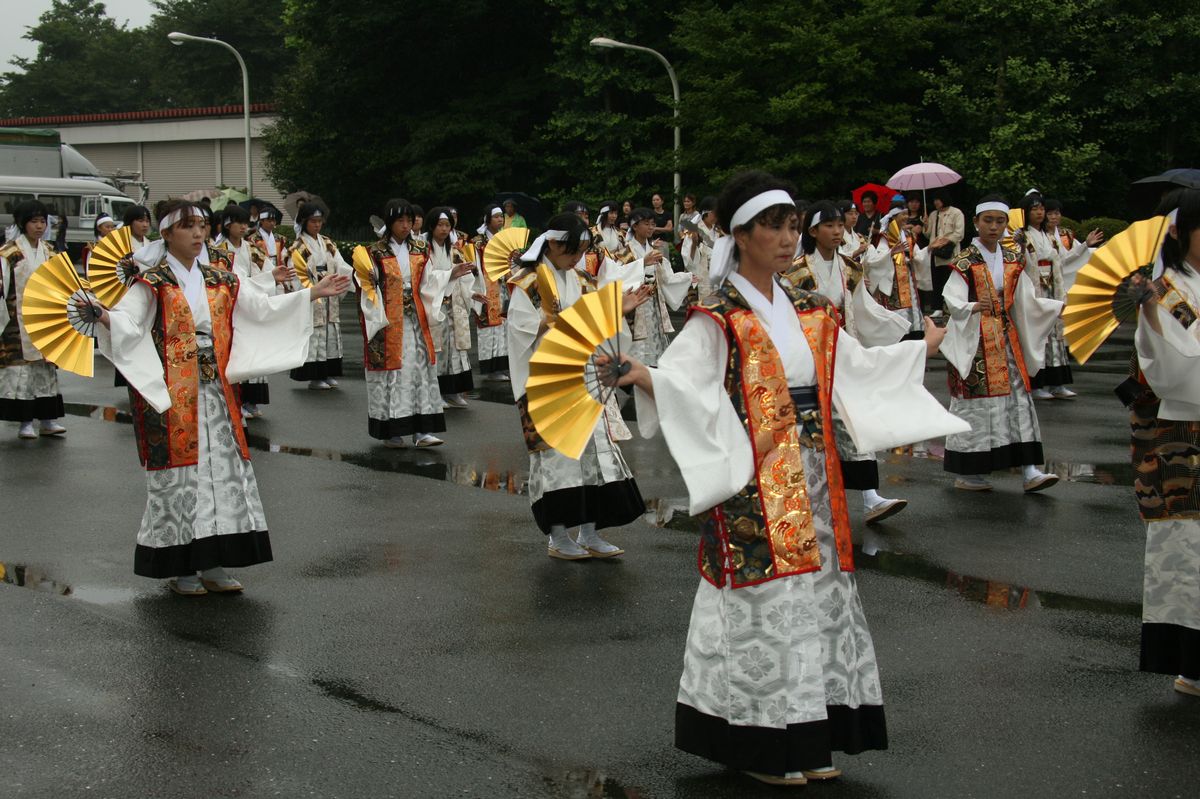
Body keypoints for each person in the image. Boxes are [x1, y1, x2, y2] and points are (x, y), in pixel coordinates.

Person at [608, 171, 965, 786]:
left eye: (791, 224)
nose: (785, 237)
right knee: (767, 600)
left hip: (815, 479)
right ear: (737, 235)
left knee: (818, 594)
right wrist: (645, 377)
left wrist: (919, 349)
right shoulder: (716, 317)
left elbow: (853, 369)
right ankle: (763, 742)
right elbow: (687, 386)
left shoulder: (812, 310)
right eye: (772, 225)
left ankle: (811, 731)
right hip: (754, 483)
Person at [85, 199, 349, 594]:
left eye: (202, 226)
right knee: (182, 476)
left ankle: (215, 562)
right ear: (166, 234)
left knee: (222, 474)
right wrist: (104, 316)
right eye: (188, 226)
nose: (198, 234)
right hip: (175, 395)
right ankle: (184, 568)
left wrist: (311, 293)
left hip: (215, 392)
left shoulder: (220, 278)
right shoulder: (152, 282)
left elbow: (259, 308)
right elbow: (128, 321)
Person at [505, 212, 653, 559]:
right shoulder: (528, 282)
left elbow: (595, 326)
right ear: (553, 244)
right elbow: (519, 330)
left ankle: (590, 531)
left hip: (584, 381)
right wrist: (548, 323)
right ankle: (558, 536)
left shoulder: (584, 280)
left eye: (582, 250)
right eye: (572, 250)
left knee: (595, 459)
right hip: (548, 384)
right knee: (557, 460)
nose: (577, 257)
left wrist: (618, 309)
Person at [784, 201, 925, 524]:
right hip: (808, 359)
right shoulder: (797, 271)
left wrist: (896, 331)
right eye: (830, 226)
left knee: (853, 421)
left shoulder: (850, 267)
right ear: (813, 231)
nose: (837, 231)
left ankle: (870, 497)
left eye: (840, 225)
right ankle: (806, 498)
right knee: (810, 428)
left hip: (842, 354)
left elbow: (863, 307)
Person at [1125, 188, 1200, 696]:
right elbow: (1173, 370)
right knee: (1189, 547)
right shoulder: (1166, 290)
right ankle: (1192, 663)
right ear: (1180, 231)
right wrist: (1150, 316)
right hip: (1187, 433)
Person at [940, 195, 1062, 492]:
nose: (994, 227)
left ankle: (1029, 469)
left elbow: (1024, 300)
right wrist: (971, 306)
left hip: (1007, 339)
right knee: (977, 405)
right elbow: (950, 299)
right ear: (976, 222)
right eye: (988, 221)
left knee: (1019, 400)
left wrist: (1052, 307)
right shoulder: (964, 260)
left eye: (1000, 221)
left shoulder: (1013, 259)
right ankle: (969, 472)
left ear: (1007, 224)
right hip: (976, 341)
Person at [358, 199, 470, 448]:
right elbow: (366, 286)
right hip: (388, 322)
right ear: (389, 222)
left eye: (409, 221)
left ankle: (422, 430)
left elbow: (429, 281)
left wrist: (450, 274)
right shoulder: (374, 252)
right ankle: (392, 430)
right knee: (395, 373)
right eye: (401, 221)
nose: (406, 225)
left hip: (416, 320)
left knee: (420, 369)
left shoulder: (420, 249)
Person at [218, 204, 294, 419]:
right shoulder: (218, 251)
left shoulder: (252, 248)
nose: (243, 227)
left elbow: (268, 273)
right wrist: (263, 280)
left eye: (245, 223)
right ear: (227, 224)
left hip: (251, 306)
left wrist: (274, 278)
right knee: (235, 353)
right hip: (229, 308)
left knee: (253, 351)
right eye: (238, 223)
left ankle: (251, 400)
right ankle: (237, 400)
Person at [0, 200, 67, 439]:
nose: (39, 226)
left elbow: (62, 283)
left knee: (45, 368)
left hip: (45, 319)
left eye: (42, 221)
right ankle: (25, 422)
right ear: (22, 223)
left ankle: (48, 419)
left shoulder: (50, 251)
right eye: (33, 221)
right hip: (17, 321)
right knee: (22, 371)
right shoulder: (10, 253)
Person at [1015, 191, 1076, 399]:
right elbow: (1017, 261)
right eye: (1034, 209)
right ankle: (1036, 383)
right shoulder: (1023, 236)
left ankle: (1057, 382)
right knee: (1039, 336)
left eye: (1041, 208)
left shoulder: (1050, 236)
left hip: (1051, 286)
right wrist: (1020, 246)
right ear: (1026, 212)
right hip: (1033, 288)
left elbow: (1062, 259)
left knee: (1054, 336)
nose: (1040, 212)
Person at [288, 200, 352, 390]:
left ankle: (327, 372)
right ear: (305, 222)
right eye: (313, 221)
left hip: (329, 289)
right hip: (314, 289)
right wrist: (311, 288)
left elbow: (340, 264)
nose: (317, 224)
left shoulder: (327, 242)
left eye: (319, 221)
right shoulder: (298, 247)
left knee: (330, 331)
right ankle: (314, 375)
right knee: (314, 332)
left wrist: (350, 277)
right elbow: (297, 272)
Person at [624, 207, 693, 367]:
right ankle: (633, 374)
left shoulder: (653, 250)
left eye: (652, 224)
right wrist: (642, 263)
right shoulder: (626, 249)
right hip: (635, 302)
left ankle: (651, 373)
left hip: (652, 301)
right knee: (636, 341)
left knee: (654, 338)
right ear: (635, 226)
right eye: (646, 224)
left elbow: (666, 277)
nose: (650, 228)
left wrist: (686, 277)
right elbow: (620, 273)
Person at [426, 207, 476, 409]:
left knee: (455, 349)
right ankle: (435, 392)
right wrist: (449, 275)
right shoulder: (424, 250)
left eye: (448, 225)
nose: (444, 229)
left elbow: (466, 278)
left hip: (454, 306)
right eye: (440, 225)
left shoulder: (455, 251)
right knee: (437, 350)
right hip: (435, 306)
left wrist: (472, 295)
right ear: (432, 226)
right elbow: (425, 279)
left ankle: (453, 391)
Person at [471, 205, 509, 381]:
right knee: (489, 328)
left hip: (502, 287)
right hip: (487, 286)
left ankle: (501, 366)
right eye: (496, 217)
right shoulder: (478, 242)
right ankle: (490, 368)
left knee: (503, 327)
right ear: (488, 219)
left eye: (502, 216)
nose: (500, 219)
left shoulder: (505, 239)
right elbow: (475, 266)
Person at [925, 191, 965, 312]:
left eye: (938, 199)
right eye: (934, 200)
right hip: (936, 252)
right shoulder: (933, 214)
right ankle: (937, 308)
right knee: (936, 281)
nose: (935, 202)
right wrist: (925, 225)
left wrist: (944, 241)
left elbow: (959, 233)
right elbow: (928, 235)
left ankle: (950, 307)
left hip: (950, 252)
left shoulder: (956, 213)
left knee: (949, 281)